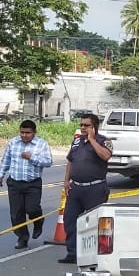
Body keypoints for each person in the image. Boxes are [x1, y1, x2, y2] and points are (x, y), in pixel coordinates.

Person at [59, 113, 113, 264]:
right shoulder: (76, 142)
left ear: (94, 127)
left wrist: (92, 140)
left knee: (94, 223)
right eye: (81, 125)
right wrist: (66, 180)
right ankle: (73, 253)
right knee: (70, 220)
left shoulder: (104, 141)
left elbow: (105, 156)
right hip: (76, 188)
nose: (83, 128)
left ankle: (94, 255)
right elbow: (71, 161)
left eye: (87, 125)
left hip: (95, 188)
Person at [0, 119, 53, 249]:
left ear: (34, 133)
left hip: (33, 183)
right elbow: (6, 159)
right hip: (15, 182)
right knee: (16, 213)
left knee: (32, 209)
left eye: (28, 133)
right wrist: (0, 175)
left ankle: (38, 222)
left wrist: (31, 157)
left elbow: (48, 162)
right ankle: (22, 237)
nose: (24, 135)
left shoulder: (41, 144)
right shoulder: (13, 143)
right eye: (22, 132)